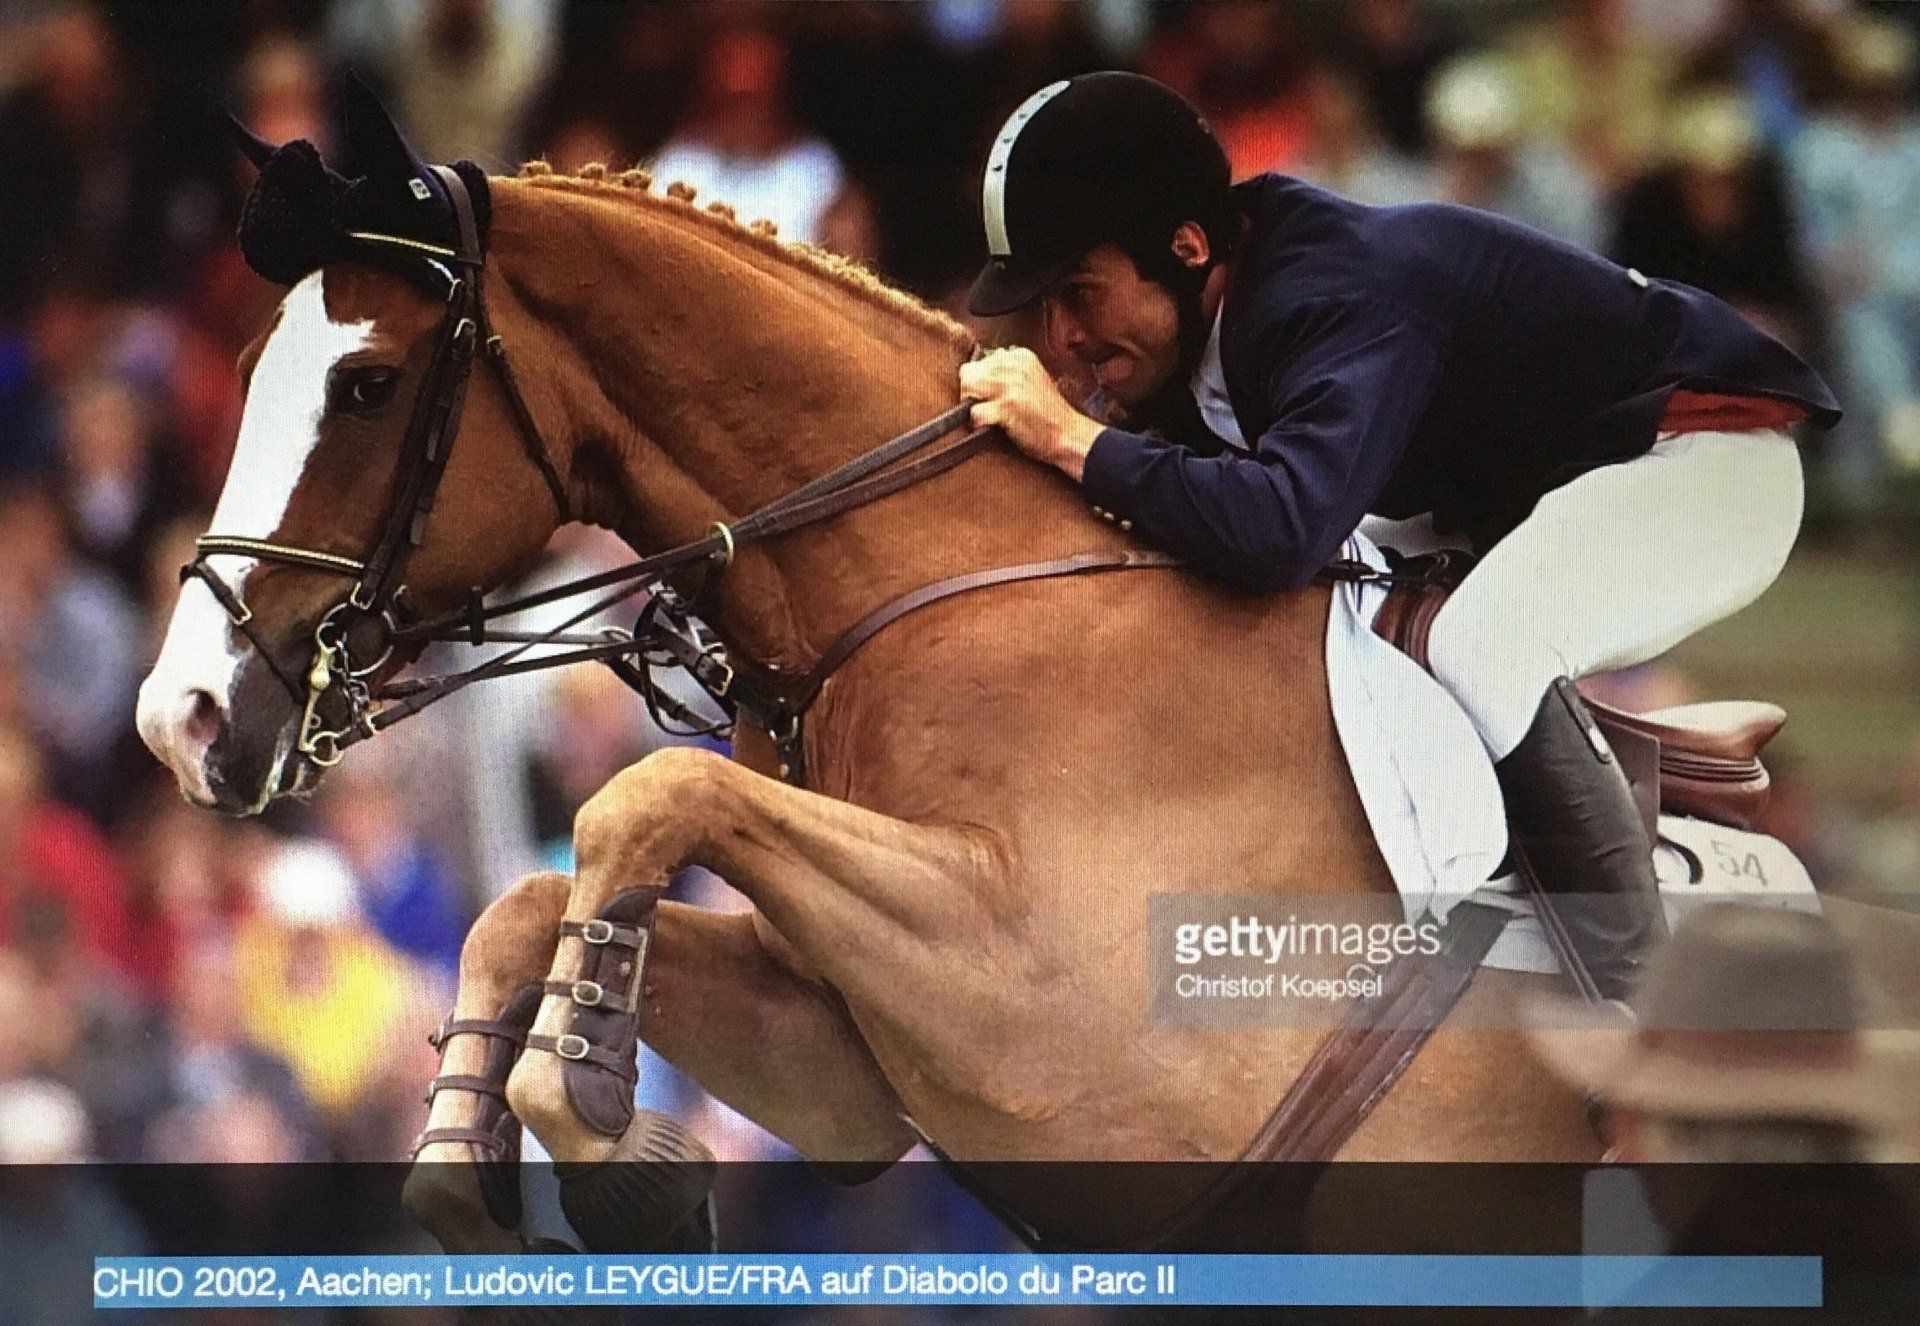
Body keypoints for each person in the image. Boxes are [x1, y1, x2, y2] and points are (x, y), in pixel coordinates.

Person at [959, 72, 1838, 1002]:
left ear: (1185, 246)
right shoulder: (1224, 309)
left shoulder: (1337, 294)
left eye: (1081, 294)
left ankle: (1637, 1002)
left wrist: (1076, 442)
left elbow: (1279, 532)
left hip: (1702, 464)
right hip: (1539, 489)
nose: (1060, 340)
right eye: (1045, 308)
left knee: (1481, 646)